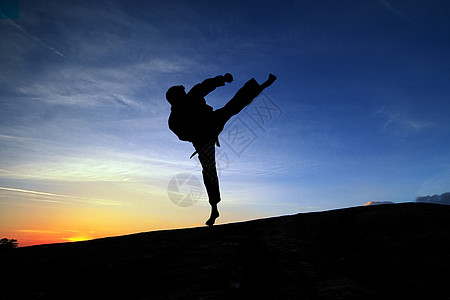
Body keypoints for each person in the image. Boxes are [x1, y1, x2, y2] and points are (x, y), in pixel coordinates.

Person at [166, 73, 277, 226]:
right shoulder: (173, 120)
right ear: (174, 98)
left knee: (233, 106)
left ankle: (259, 86)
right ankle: (214, 208)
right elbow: (182, 135)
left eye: (184, 92)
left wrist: (223, 79)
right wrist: (199, 134)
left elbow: (206, 85)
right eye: (181, 93)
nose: (185, 94)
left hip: (211, 121)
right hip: (202, 141)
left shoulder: (191, 95)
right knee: (209, 171)